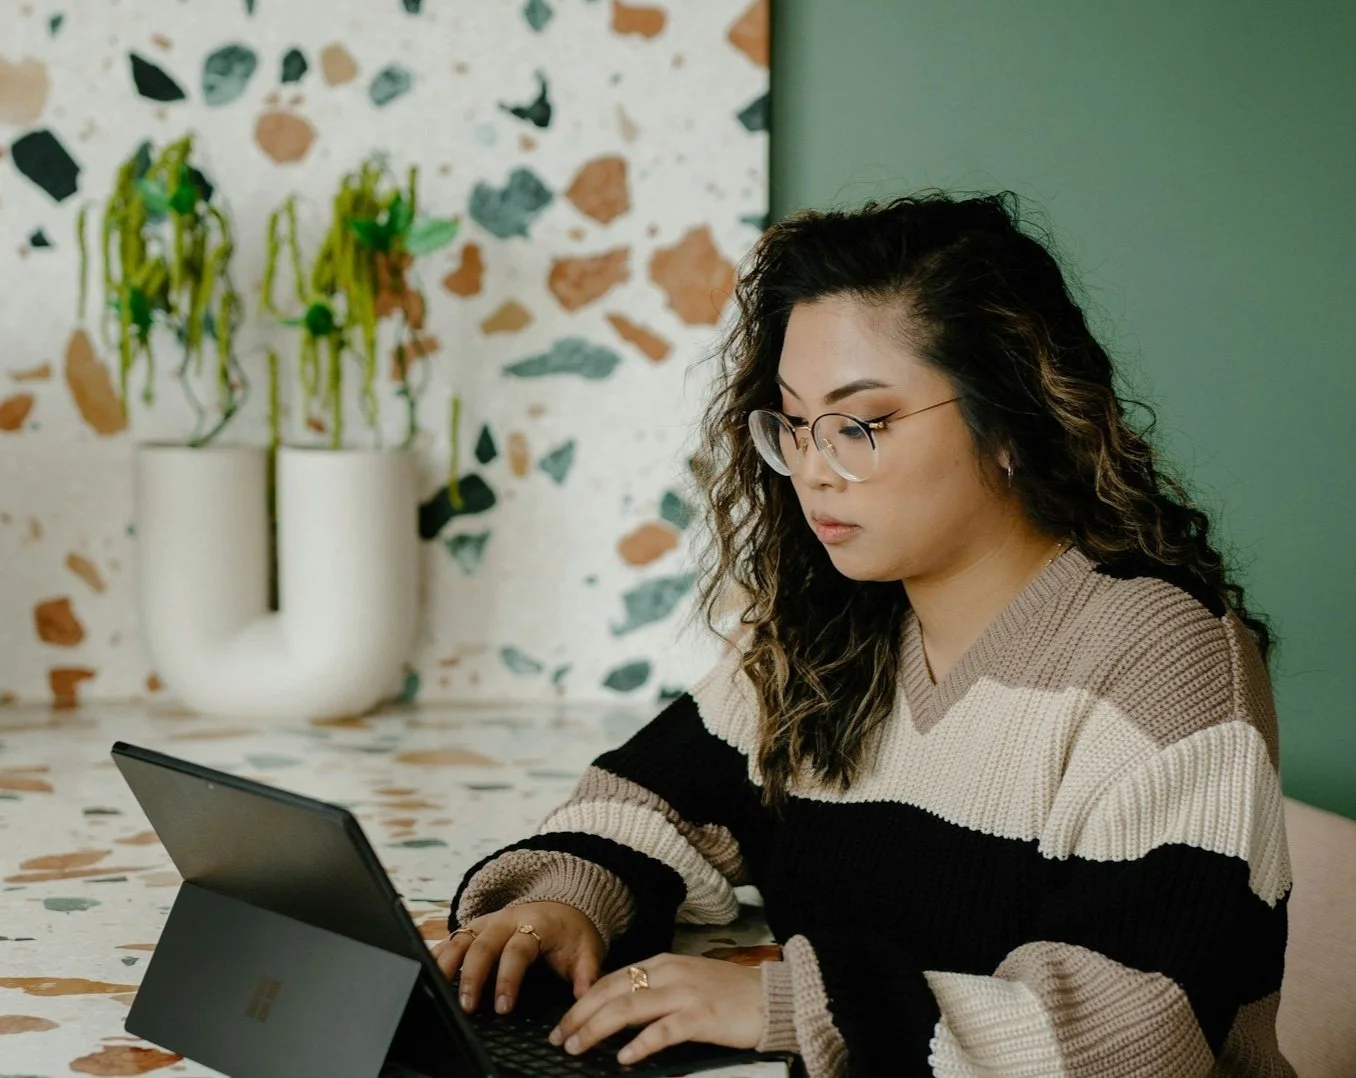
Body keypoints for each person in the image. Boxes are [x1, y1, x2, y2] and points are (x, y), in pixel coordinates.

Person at [433, 190, 1296, 1076]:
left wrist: (787, 1003)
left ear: (1009, 418)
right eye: (796, 425)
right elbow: (644, 803)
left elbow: (1138, 1030)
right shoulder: (835, 629)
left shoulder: (1164, 657)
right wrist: (557, 907)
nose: (813, 470)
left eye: (859, 425)